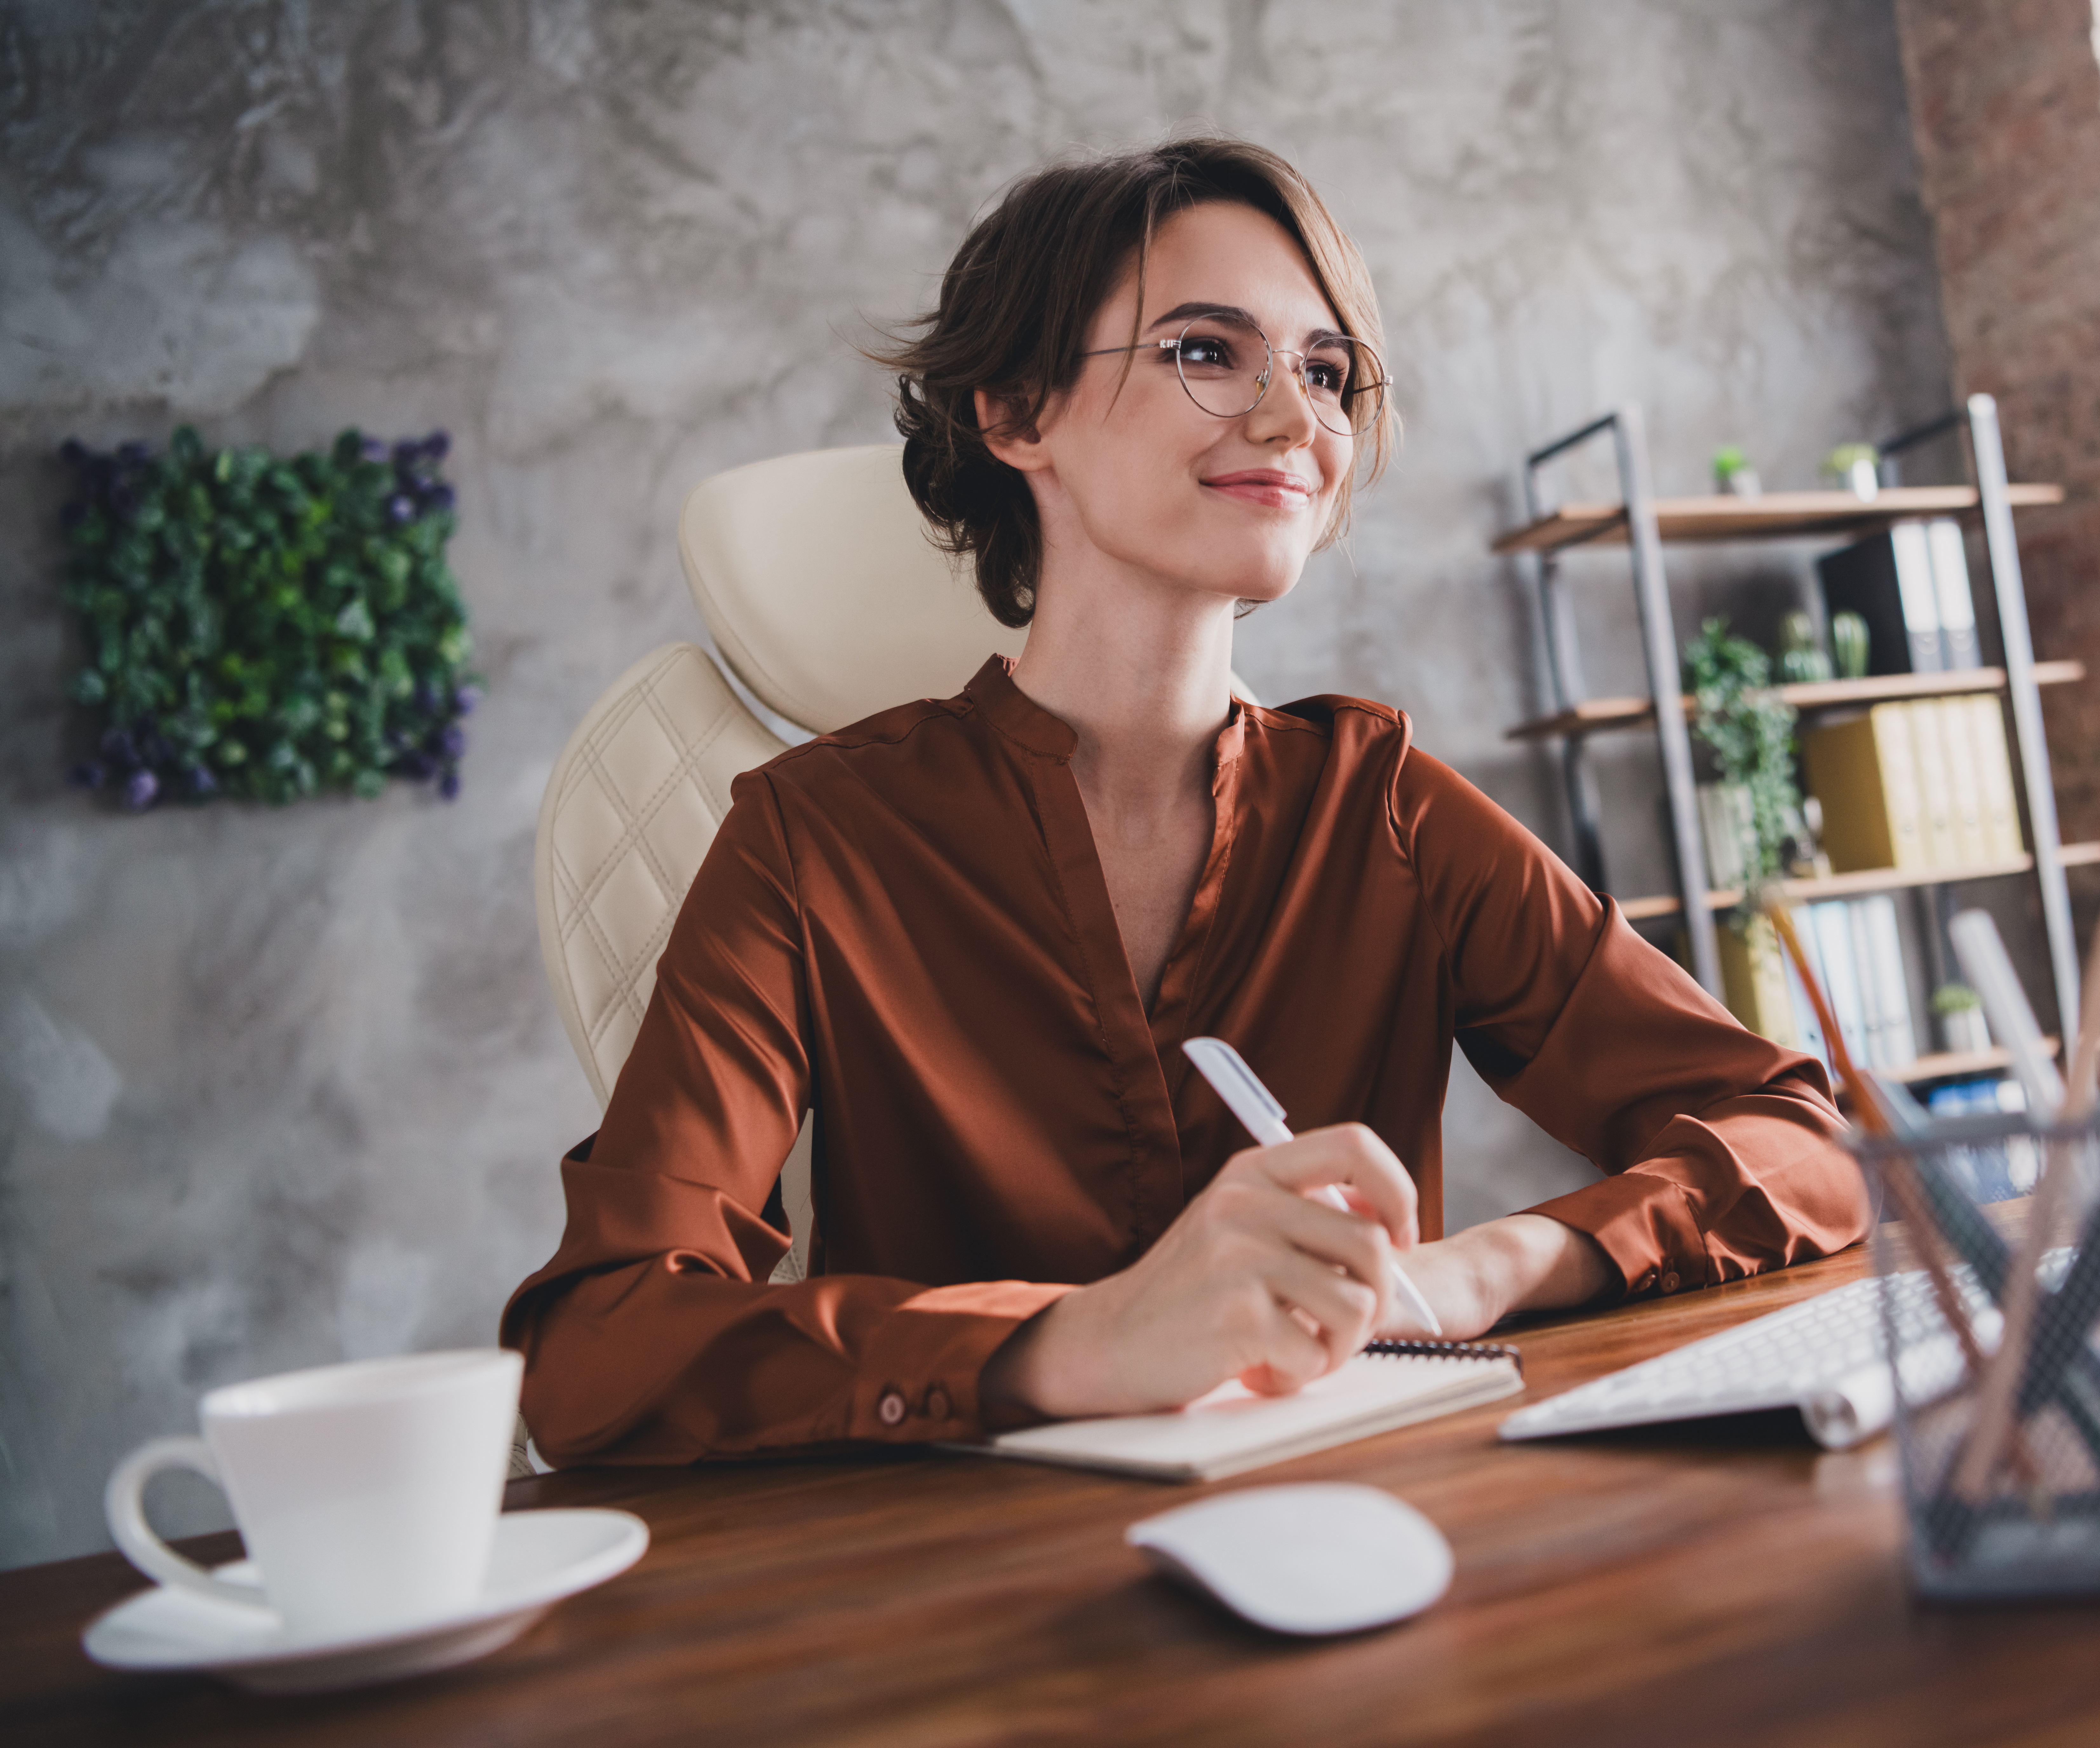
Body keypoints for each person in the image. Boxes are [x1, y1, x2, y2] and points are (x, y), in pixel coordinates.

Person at [502, 137, 1866, 1465]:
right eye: (1207, 351)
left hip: (1358, 1543)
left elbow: (1802, 1141)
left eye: (1326, 370)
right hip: (947, 1613)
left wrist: (1481, 1270)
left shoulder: (1386, 811)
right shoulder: (810, 844)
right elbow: (598, 1347)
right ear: (1017, 411)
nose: (1296, 421)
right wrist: (1072, 1345)